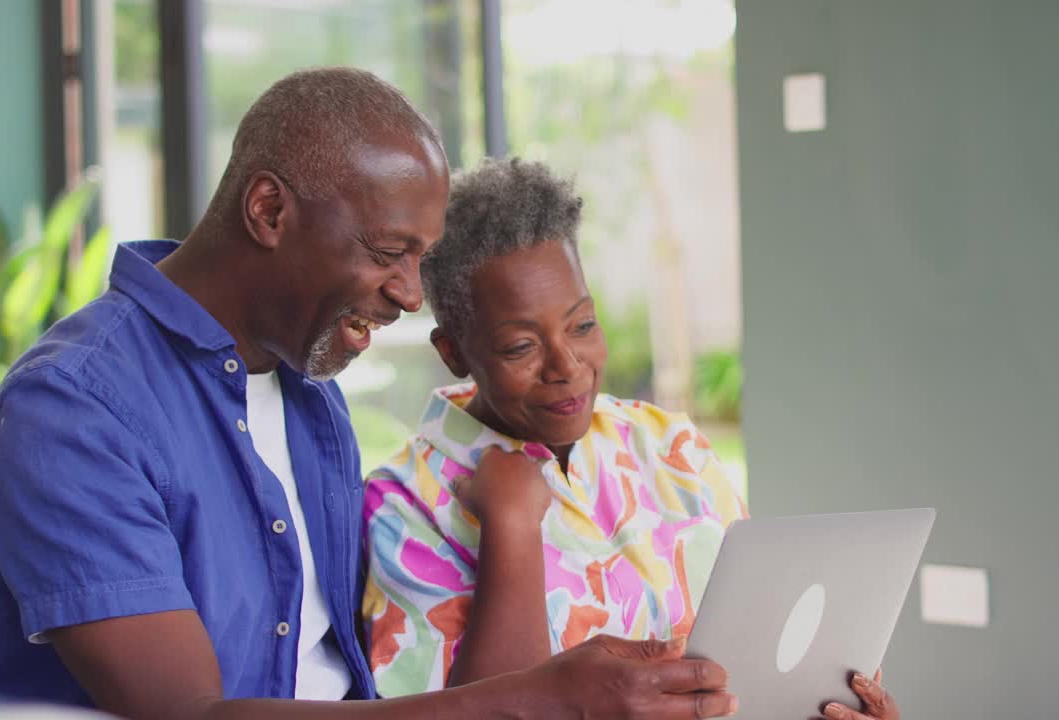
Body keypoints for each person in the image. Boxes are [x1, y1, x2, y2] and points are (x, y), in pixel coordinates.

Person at [0, 68, 737, 719]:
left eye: (421, 260)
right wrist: (540, 697)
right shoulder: (71, 413)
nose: (408, 294)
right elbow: (194, 719)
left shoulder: (307, 389)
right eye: (389, 253)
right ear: (269, 210)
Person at [362, 158, 900, 720]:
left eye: (583, 325)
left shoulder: (672, 448)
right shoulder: (406, 507)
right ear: (452, 353)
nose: (567, 366)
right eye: (521, 346)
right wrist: (511, 528)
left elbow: (760, 656)